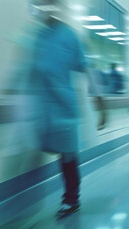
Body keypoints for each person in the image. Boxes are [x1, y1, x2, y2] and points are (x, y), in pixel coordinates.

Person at [30, 0, 106, 217]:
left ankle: (71, 199)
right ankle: (25, 206)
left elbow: (87, 70)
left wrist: (101, 104)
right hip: (42, 110)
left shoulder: (69, 36)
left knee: (67, 158)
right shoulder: (39, 37)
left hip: (64, 110)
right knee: (37, 154)